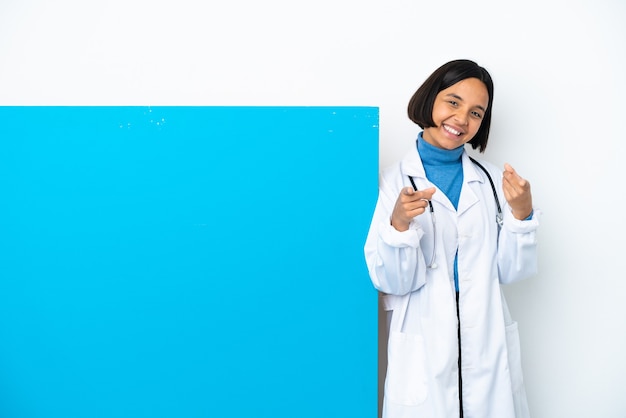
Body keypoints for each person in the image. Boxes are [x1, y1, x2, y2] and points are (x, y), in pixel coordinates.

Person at [364, 59, 540, 418]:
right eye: (453, 102)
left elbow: (510, 272)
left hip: (487, 344)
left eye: (476, 112)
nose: (462, 119)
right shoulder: (390, 183)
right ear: (430, 99)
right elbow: (392, 281)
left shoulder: (493, 182)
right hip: (423, 347)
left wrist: (521, 214)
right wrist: (398, 225)